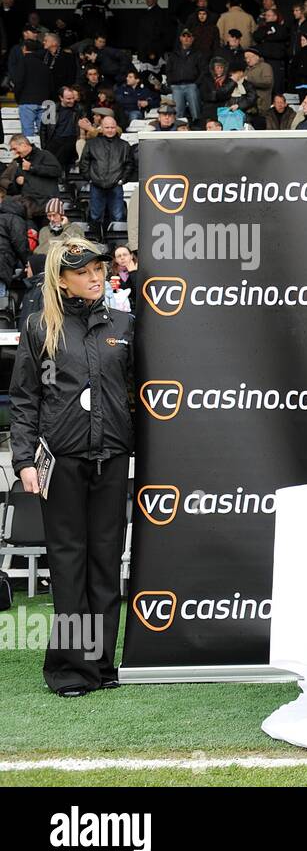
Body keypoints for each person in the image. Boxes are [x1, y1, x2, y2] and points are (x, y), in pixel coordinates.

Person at [9, 239, 133, 697]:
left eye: (100, 269)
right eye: (84, 271)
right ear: (61, 279)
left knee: (105, 562)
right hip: (60, 463)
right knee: (68, 563)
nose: (96, 277)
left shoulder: (124, 324)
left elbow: (140, 394)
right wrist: (24, 460)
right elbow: (24, 400)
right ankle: (69, 668)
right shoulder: (41, 327)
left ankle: (100, 664)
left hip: (113, 457)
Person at [78, 116, 133, 237]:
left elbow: (129, 165)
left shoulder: (124, 145)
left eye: (112, 127)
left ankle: (118, 245)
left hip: (116, 186)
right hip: (96, 185)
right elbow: (84, 163)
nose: (110, 130)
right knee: (95, 216)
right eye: (107, 127)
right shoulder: (92, 143)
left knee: (118, 217)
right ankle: (96, 242)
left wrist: (122, 180)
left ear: (116, 128)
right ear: (101, 128)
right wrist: (90, 178)